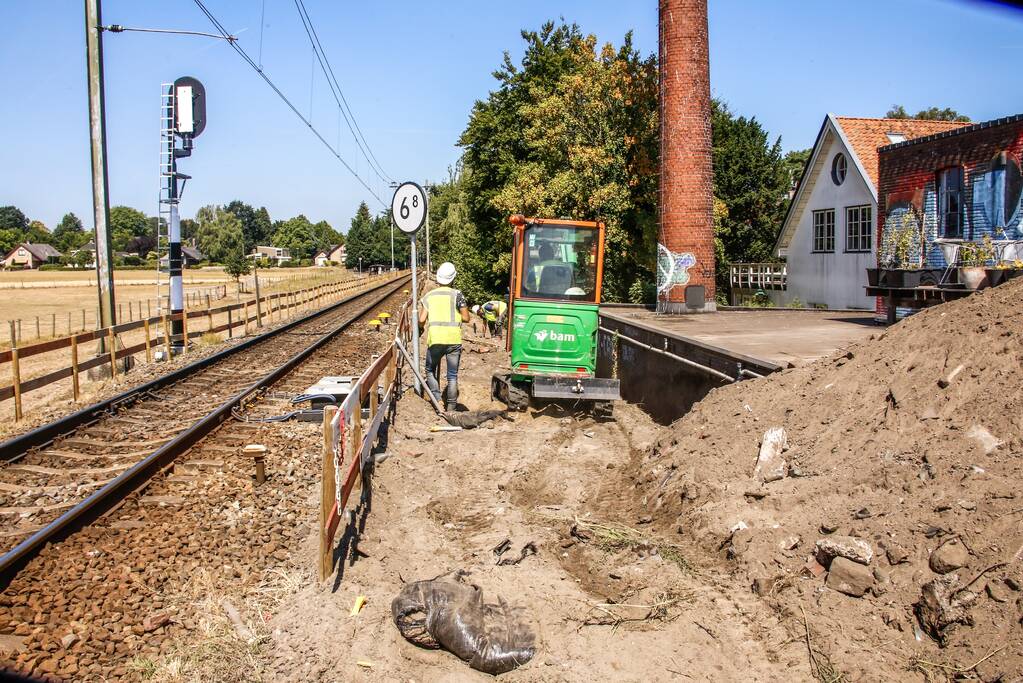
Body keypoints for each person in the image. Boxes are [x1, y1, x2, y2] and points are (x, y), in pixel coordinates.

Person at [419, 261, 469, 411]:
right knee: (452, 375)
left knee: (429, 370)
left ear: (438, 279)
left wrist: (421, 327)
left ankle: (437, 398)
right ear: (453, 278)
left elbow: (421, 320)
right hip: (454, 340)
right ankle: (452, 408)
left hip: (435, 339)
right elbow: (466, 318)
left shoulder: (429, 296)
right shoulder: (458, 295)